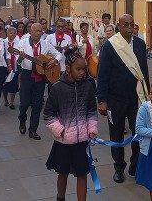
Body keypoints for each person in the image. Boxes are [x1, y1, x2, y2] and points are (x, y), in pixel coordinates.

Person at [96, 14, 150, 183]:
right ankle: (119, 167)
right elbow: (102, 74)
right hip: (115, 100)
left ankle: (135, 165)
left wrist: (149, 97)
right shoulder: (110, 46)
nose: (128, 27)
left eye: (131, 24)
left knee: (138, 132)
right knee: (116, 134)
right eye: (125, 24)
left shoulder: (140, 44)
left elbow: (143, 72)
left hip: (136, 99)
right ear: (118, 26)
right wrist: (102, 100)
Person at [44, 50, 98, 201]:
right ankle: (60, 197)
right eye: (78, 69)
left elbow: (91, 110)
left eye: (84, 69)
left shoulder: (88, 86)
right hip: (63, 142)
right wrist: (60, 131)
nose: (82, 73)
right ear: (68, 69)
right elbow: (48, 114)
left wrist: (92, 128)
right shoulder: (57, 88)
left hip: (82, 141)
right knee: (63, 173)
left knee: (82, 174)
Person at [16, 23, 64, 140]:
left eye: (40, 31)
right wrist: (21, 57)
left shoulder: (45, 44)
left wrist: (54, 61)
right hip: (27, 75)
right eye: (36, 31)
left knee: (37, 105)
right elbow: (18, 62)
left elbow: (58, 54)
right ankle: (22, 119)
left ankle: (33, 130)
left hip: (40, 77)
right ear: (30, 32)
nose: (38, 33)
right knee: (24, 103)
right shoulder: (22, 43)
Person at [2, 26, 20, 109]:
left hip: (15, 66)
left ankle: (11, 102)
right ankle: (5, 100)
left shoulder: (18, 42)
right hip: (5, 66)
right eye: (11, 33)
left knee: (13, 84)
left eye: (14, 33)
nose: (12, 34)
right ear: (7, 33)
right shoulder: (3, 42)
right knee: (5, 85)